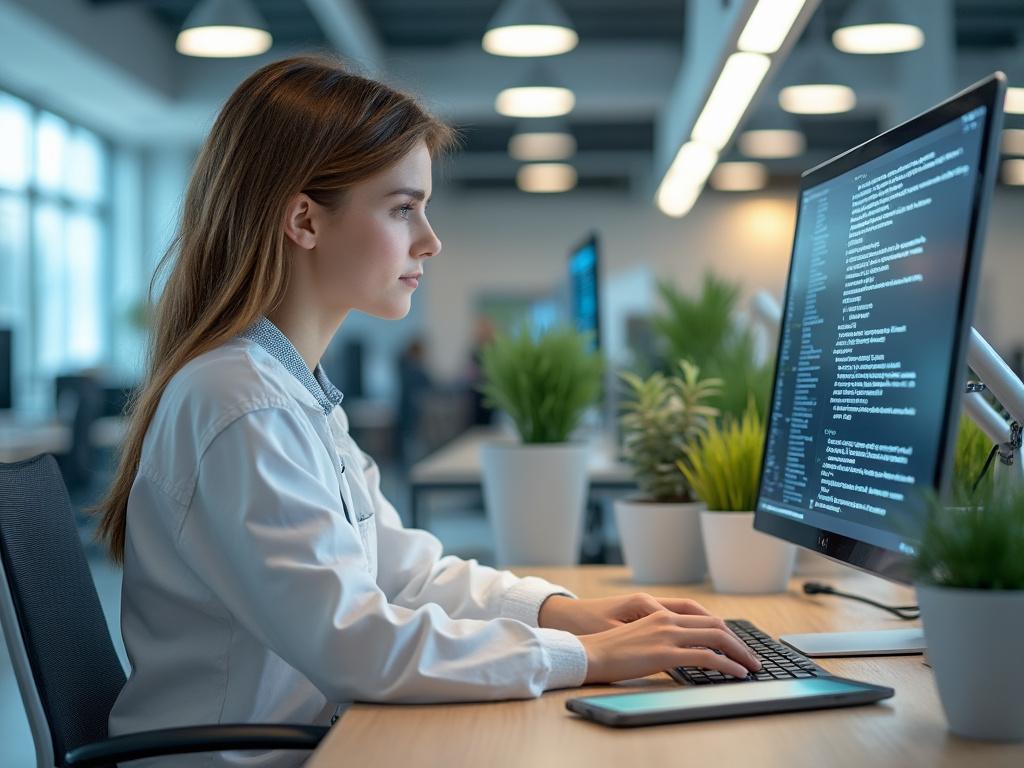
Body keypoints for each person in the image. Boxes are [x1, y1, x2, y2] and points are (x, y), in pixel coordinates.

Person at [95, 56, 760, 768]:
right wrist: (584, 657)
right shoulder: (241, 403)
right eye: (403, 207)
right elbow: (357, 645)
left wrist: (564, 614)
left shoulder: (290, 392)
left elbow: (404, 574)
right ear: (304, 220)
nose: (430, 241)